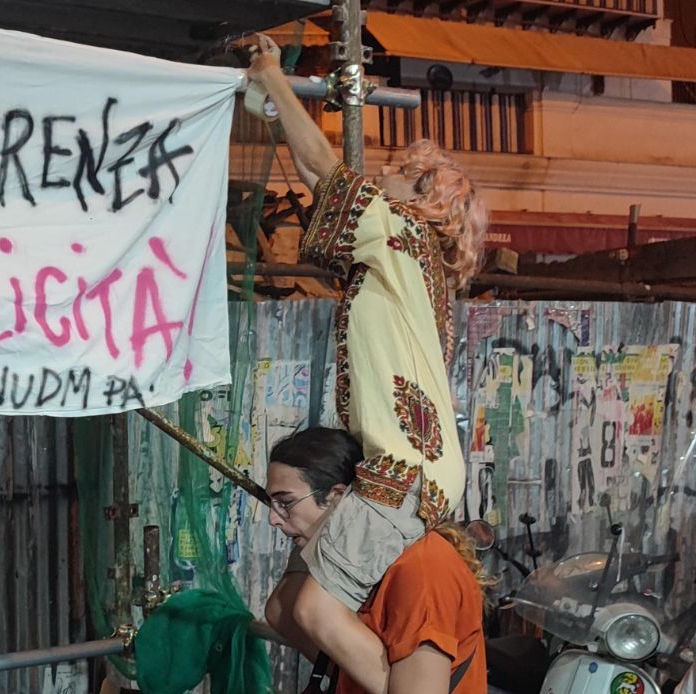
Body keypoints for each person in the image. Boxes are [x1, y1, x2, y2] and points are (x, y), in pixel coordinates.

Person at [247, 33, 488, 694]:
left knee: (311, 608)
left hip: (402, 469)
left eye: (397, 171)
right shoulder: (402, 263)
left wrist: (271, 76)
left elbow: (323, 170)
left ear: (423, 198)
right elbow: (326, 181)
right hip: (404, 465)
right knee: (282, 609)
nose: (379, 172)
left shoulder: (403, 236)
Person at [262, 427, 489, 694]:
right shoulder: (348, 573)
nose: (273, 519)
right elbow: (282, 611)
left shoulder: (423, 568)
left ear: (337, 497)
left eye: (285, 503)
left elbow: (310, 612)